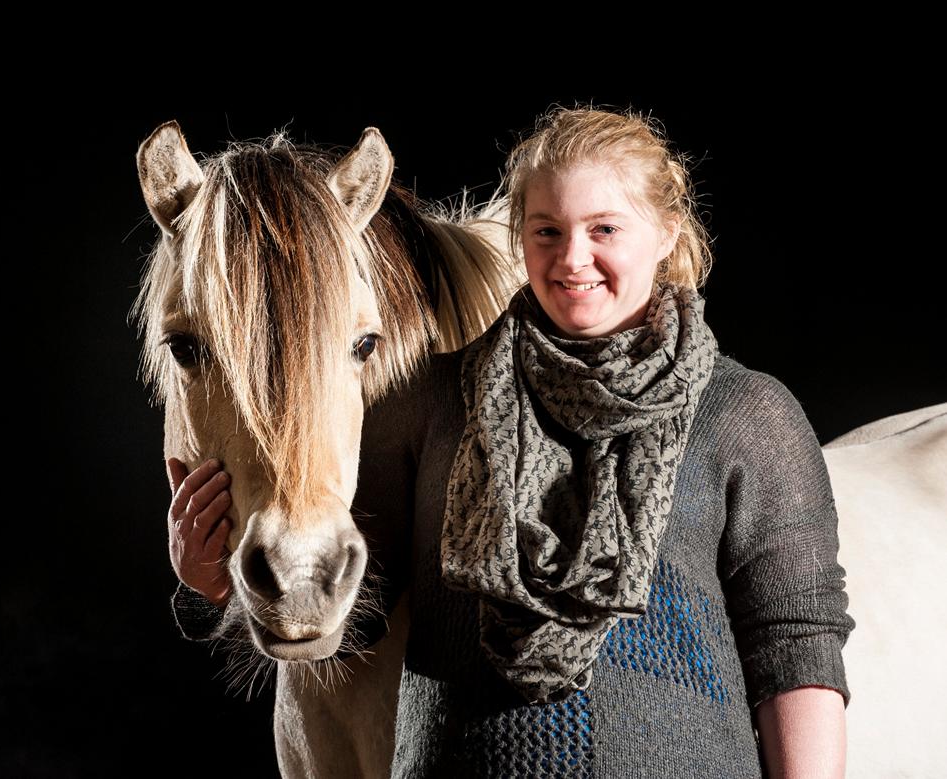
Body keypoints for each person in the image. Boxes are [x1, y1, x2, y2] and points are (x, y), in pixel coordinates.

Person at [167, 107, 854, 778]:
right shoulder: (430, 402)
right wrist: (212, 584)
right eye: (546, 230)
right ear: (519, 238)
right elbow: (345, 612)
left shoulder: (746, 415)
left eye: (604, 228)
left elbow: (794, 649)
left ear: (667, 231)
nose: (572, 258)